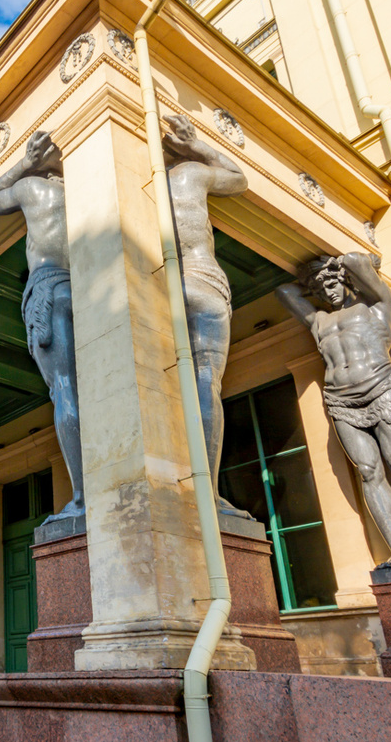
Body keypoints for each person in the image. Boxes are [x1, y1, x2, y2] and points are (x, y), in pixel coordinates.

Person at [276, 252, 391, 568]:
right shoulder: (318, 320)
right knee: (368, 471)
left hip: (381, 387)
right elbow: (284, 293)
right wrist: (315, 279)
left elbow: (355, 260)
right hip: (340, 399)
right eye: (321, 291)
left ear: (347, 280)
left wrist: (340, 268)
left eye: (333, 285)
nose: (328, 293)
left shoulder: (375, 306)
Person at [0, 131, 85, 523]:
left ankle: (82, 497)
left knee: (64, 391)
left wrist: (24, 163)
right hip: (88, 284)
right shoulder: (84, 184)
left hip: (47, 287)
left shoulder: (32, 188)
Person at [163, 115, 254, 520]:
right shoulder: (192, 173)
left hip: (156, 280)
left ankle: (180, 489)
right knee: (205, 383)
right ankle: (209, 493)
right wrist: (198, 145)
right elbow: (238, 178)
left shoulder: (126, 179)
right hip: (203, 278)